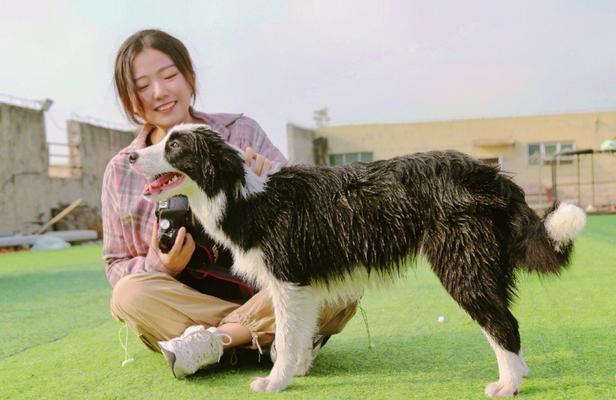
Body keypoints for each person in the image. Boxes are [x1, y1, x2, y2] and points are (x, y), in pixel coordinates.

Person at [102, 29, 359, 379]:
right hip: (190, 304)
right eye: (143, 85)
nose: (160, 92)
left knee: (341, 278)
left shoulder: (241, 133)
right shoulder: (122, 168)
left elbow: (309, 218)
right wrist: (162, 265)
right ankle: (268, 340)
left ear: (189, 77)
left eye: (169, 76)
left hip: (268, 289)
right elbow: (116, 264)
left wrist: (272, 181)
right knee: (128, 294)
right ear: (129, 98)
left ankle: (213, 344)